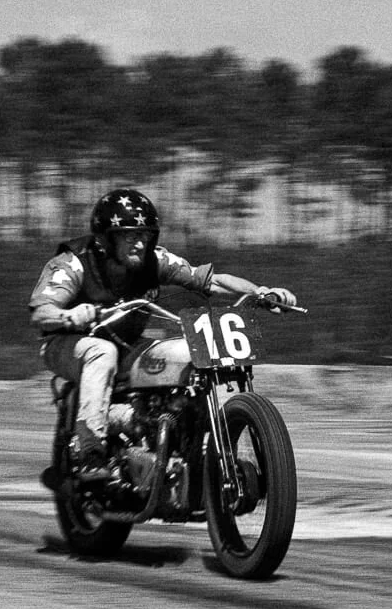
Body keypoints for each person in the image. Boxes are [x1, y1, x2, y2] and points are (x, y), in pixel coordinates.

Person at [29, 188, 296, 482]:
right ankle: (91, 453)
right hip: (68, 344)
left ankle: (166, 434)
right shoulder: (75, 261)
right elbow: (41, 309)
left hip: (127, 345)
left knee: (182, 356)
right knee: (101, 353)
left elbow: (210, 281)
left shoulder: (155, 261)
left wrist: (261, 292)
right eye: (130, 235)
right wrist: (68, 315)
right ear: (107, 237)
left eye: (145, 234)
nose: (139, 243)